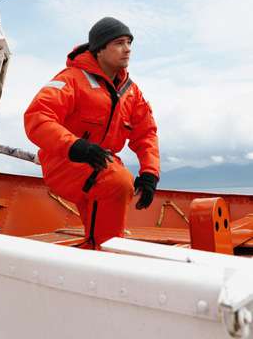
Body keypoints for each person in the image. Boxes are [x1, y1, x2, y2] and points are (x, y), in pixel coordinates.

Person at [24, 17, 160, 249]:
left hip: (101, 162)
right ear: (99, 50)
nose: (127, 49)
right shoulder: (71, 80)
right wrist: (75, 146)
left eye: (129, 42)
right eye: (119, 43)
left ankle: (95, 249)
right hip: (65, 160)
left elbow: (146, 132)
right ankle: (105, 254)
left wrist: (149, 173)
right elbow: (37, 117)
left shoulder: (131, 92)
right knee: (117, 181)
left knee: (111, 185)